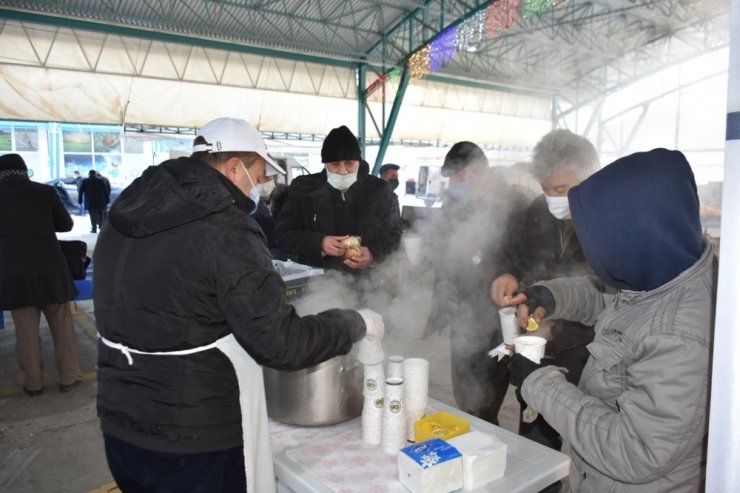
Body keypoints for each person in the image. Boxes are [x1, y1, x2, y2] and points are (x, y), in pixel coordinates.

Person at [93, 117, 384, 493]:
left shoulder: (128, 208)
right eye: (259, 174)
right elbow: (282, 343)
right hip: (193, 437)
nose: (261, 186)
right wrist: (354, 322)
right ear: (234, 167)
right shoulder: (224, 227)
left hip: (120, 421)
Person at [509, 148, 715, 492]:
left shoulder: (680, 334)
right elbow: (612, 298)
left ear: (633, 234)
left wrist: (539, 382)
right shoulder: (667, 263)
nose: (592, 256)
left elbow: (636, 452)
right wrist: (552, 295)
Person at [489, 129, 599, 460]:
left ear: (589, 176)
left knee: (590, 442)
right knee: (536, 435)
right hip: (538, 347)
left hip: (589, 352)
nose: (553, 198)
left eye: (562, 190)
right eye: (546, 189)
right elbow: (514, 255)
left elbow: (607, 294)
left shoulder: (606, 218)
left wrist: (557, 325)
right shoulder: (537, 209)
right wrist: (507, 275)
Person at [421, 141, 531, 425]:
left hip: (499, 318)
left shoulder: (516, 204)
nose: (455, 184)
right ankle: (476, 441)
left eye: (460, 177)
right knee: (465, 394)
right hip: (461, 314)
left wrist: (508, 273)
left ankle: (489, 451)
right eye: (452, 179)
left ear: (479, 171)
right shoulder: (453, 205)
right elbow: (437, 247)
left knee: (485, 400)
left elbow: (530, 256)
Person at [0, 154, 82, 396]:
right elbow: (66, 225)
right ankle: (69, 377)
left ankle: (33, 383)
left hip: (15, 275)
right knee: (63, 328)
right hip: (51, 271)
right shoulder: (44, 192)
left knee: (25, 333)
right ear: (24, 170)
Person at [274, 125, 401, 274]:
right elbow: (282, 234)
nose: (342, 170)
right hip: (317, 279)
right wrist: (319, 243)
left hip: (365, 283)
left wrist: (374, 252)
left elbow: (393, 234)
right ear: (325, 164)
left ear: (358, 161)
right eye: (335, 164)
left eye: (349, 163)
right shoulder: (304, 188)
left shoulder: (378, 189)